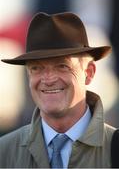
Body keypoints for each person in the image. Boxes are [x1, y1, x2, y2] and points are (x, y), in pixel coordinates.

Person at [0, 12, 115, 168]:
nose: (48, 79)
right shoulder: (4, 152)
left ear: (89, 73)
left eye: (62, 66)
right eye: (36, 68)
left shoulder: (115, 149)